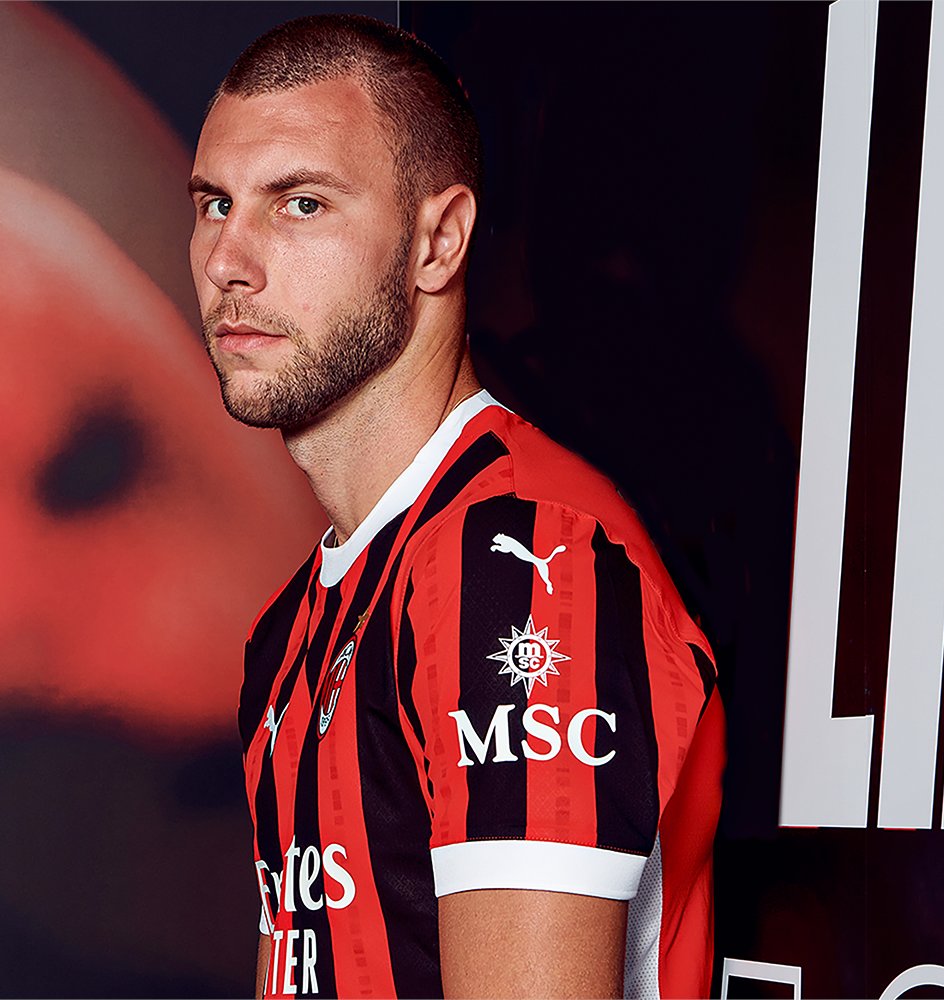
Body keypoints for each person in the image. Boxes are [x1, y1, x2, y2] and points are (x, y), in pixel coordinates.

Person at [188, 14, 724, 998]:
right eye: (216, 203)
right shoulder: (291, 625)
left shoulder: (525, 563)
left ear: (438, 242)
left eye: (300, 204)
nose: (229, 258)